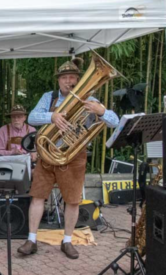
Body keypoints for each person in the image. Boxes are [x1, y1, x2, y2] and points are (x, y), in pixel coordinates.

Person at [18, 58, 119, 259]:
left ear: (79, 80)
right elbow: (31, 117)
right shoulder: (50, 97)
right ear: (58, 81)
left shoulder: (90, 99)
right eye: (64, 78)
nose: (68, 81)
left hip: (73, 157)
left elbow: (115, 122)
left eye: (72, 77)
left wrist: (101, 111)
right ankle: (31, 239)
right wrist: (52, 117)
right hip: (48, 155)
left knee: (72, 201)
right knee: (37, 196)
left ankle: (67, 241)